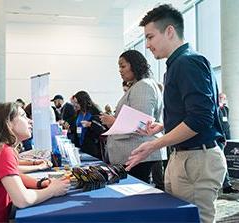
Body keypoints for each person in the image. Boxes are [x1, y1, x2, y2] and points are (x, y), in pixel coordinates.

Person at [125, 4, 227, 223]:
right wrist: (163, 126)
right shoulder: (177, 63)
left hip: (196, 159)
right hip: (185, 157)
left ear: (169, 31)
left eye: (150, 37)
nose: (148, 45)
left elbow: (200, 118)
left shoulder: (187, 62)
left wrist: (154, 144)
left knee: (195, 219)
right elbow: (192, 112)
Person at [0, 102, 70, 222]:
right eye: (23, 116)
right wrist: (52, 190)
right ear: (8, 123)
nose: (30, 121)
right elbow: (22, 200)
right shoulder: (3, 152)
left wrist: (39, 184)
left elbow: (12, 175)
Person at [100, 50, 166, 184]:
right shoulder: (140, 85)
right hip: (135, 153)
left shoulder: (143, 86)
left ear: (135, 65)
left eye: (123, 66)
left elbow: (141, 123)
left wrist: (113, 122)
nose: (120, 70)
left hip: (137, 153)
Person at [71, 91, 106, 159]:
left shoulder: (95, 112)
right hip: (80, 146)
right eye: (75, 103)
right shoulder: (78, 113)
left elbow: (102, 129)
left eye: (77, 103)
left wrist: (90, 124)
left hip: (93, 148)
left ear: (83, 102)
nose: (75, 105)